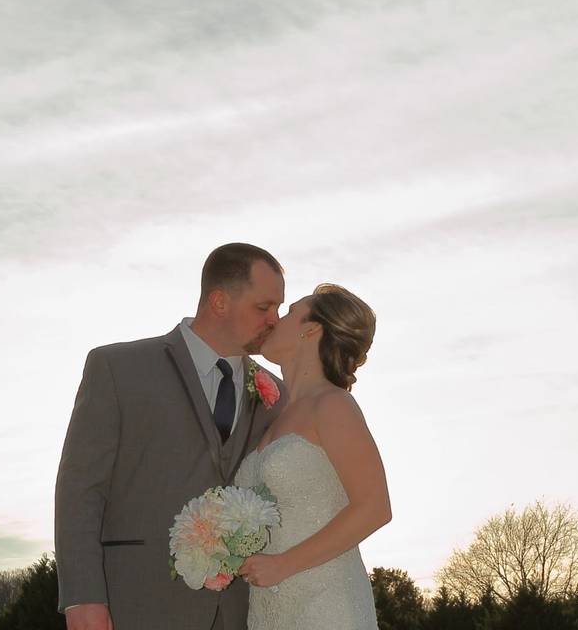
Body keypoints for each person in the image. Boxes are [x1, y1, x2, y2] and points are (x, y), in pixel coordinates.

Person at [55, 243, 287, 630]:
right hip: (137, 602)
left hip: (244, 611)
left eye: (279, 309)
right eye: (264, 308)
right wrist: (82, 595)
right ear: (219, 302)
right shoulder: (118, 368)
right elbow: (80, 488)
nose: (274, 320)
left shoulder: (277, 396)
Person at [235, 284, 391, 630]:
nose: (276, 319)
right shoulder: (272, 412)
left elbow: (375, 507)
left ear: (311, 329)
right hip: (269, 608)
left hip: (325, 603)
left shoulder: (333, 404)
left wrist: (284, 564)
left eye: (290, 312)